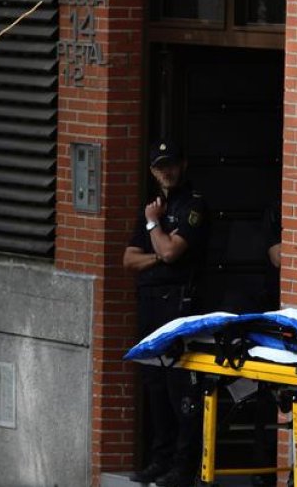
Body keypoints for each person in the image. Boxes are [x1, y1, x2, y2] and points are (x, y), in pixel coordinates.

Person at [124, 140, 209, 487]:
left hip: (179, 305)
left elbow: (173, 252)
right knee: (155, 386)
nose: (166, 172)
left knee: (181, 390)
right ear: (152, 171)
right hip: (150, 307)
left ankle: (183, 466)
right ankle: (159, 460)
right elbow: (129, 260)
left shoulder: (194, 206)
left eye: (171, 164)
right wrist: (155, 240)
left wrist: (155, 235)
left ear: (183, 164)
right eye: (160, 167)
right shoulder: (152, 210)